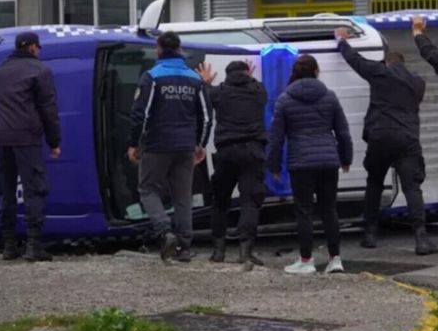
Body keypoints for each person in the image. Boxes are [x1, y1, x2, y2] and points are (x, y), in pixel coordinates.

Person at [335, 28, 438, 255]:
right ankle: (421, 239)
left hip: (380, 137)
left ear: (387, 63)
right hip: (407, 138)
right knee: (412, 188)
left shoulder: (380, 73)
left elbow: (356, 61)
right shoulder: (417, 83)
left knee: (374, 183)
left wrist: (341, 41)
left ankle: (370, 234)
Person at [127, 31, 212, 262]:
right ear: (179, 49)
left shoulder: (152, 77)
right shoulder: (195, 79)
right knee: (182, 196)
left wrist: (134, 144)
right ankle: (184, 248)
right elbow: (205, 116)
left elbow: (140, 115)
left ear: (158, 48)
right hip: (185, 147)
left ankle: (165, 231)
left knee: (147, 189)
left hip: (157, 145)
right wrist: (200, 144)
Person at [267, 55, 353, 274]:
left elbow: (276, 137)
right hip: (328, 160)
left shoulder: (285, 99)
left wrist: (274, 166)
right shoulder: (330, 97)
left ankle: (306, 260)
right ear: (316, 71)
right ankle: (335, 259)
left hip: (301, 162)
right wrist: (345, 158)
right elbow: (342, 131)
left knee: (304, 211)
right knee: (329, 209)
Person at [0, 31, 61, 262]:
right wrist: (54, 141)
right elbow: (48, 108)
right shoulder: (40, 71)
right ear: (31, 47)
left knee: (6, 190)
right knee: (34, 189)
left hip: (1, 137)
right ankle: (33, 245)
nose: (39, 51)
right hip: (27, 136)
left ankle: (9, 245)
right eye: (38, 47)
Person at [196, 60, 268, 264]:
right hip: (253, 151)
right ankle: (245, 252)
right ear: (247, 73)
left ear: (227, 75)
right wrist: (250, 77)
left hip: (226, 151)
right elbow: (259, 88)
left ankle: (218, 251)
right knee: (250, 200)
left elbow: (206, 97)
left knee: (220, 201)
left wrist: (206, 82)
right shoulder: (258, 92)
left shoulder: (219, 92)